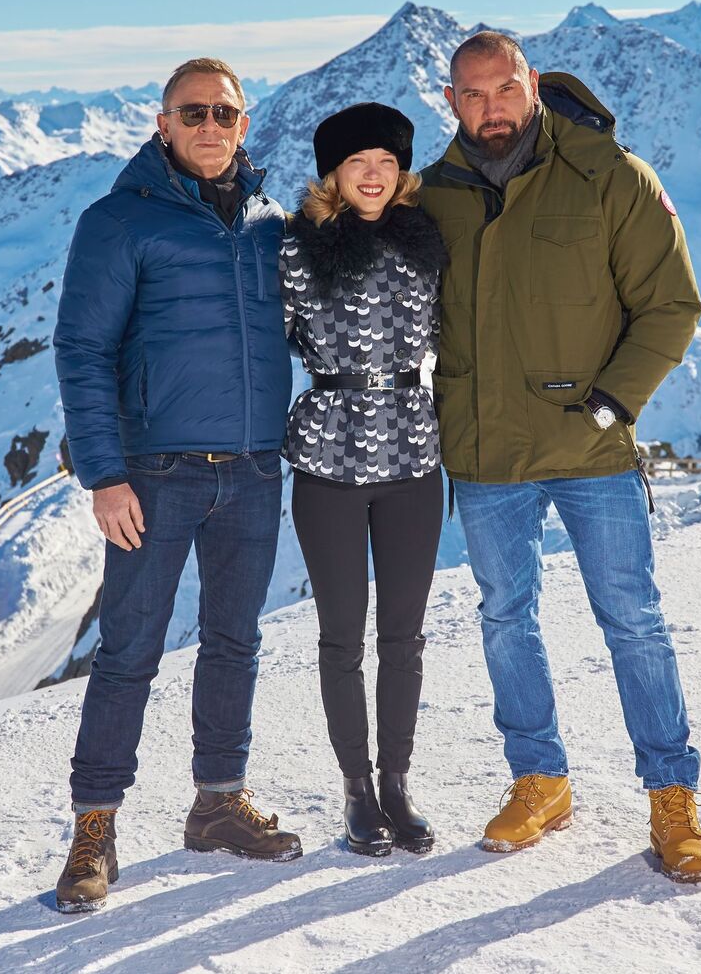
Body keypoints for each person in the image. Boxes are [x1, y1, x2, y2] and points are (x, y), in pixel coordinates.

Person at [418, 32, 701, 881]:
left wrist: (612, 402)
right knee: (503, 617)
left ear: (533, 84)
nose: (490, 108)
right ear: (450, 101)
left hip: (590, 445)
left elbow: (670, 305)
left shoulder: (610, 175)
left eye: (504, 88)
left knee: (632, 619)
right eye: (471, 94)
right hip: (485, 450)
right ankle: (540, 780)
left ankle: (671, 796)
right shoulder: (432, 195)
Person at [50, 57, 301, 914]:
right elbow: (82, 349)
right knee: (129, 651)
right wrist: (104, 475)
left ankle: (218, 803)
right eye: (191, 113)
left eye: (223, 113)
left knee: (234, 641)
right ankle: (94, 826)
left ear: (244, 124)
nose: (208, 126)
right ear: (162, 125)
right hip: (156, 473)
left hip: (254, 468)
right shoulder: (119, 220)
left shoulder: (269, 222)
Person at [281, 103, 448, 857]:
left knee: (404, 636)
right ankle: (356, 789)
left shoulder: (426, 242)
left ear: (402, 171)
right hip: (328, 457)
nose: (373, 174)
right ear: (333, 174)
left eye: (386, 161)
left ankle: (397, 783)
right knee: (341, 636)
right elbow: (264, 344)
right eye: (358, 162)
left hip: (413, 454)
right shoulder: (296, 248)